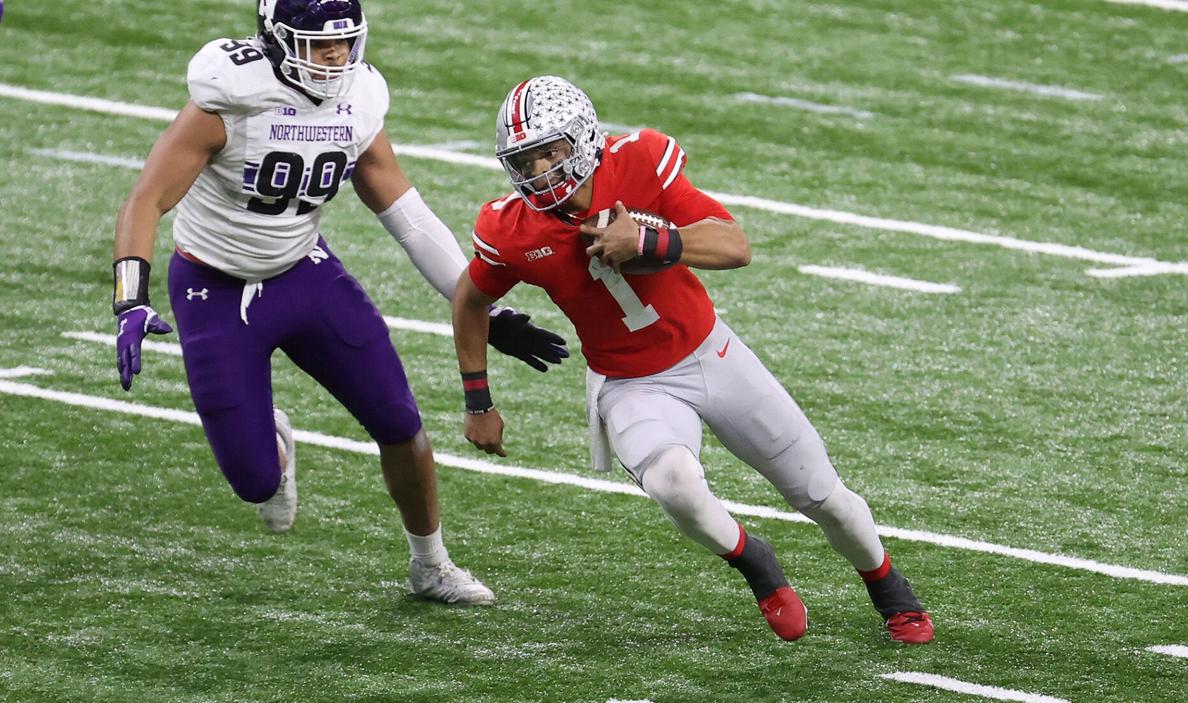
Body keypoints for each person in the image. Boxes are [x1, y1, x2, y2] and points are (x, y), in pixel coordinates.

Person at [111, 0, 567, 605]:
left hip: (305, 273)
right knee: (255, 482)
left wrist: (482, 305)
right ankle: (272, 441)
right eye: (316, 43)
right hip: (213, 288)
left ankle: (430, 564)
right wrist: (129, 300)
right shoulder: (231, 97)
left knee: (399, 420)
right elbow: (146, 199)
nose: (334, 56)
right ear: (275, 39)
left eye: (343, 42)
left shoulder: (359, 99)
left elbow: (407, 216)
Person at [451, 75, 934, 642]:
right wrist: (477, 399)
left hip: (710, 353)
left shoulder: (639, 161)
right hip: (629, 383)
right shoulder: (508, 228)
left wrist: (653, 243)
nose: (539, 173)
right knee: (675, 483)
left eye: (550, 153)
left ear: (583, 138)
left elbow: (735, 244)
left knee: (826, 498)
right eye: (525, 161)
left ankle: (887, 585)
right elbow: (470, 298)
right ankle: (756, 563)